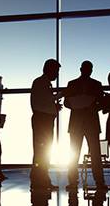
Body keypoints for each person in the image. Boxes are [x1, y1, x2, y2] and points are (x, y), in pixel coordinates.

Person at [65, 61, 106, 190]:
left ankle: (75, 181)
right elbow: (67, 102)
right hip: (90, 122)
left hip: (79, 122)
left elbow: (101, 103)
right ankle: (98, 181)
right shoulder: (95, 85)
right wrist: (89, 107)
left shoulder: (73, 84)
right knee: (89, 153)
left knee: (77, 153)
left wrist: (80, 106)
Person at [30, 59, 62, 189]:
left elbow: (41, 102)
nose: (57, 74)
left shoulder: (41, 83)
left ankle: (40, 178)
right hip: (43, 120)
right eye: (56, 71)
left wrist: (53, 107)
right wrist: (61, 94)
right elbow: (44, 101)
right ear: (50, 70)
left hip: (43, 120)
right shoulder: (41, 83)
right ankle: (40, 179)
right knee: (43, 150)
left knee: (42, 150)